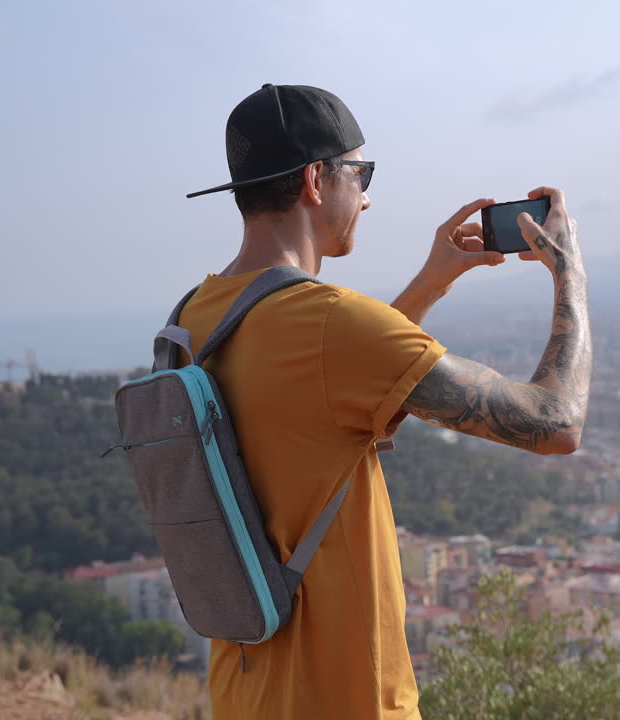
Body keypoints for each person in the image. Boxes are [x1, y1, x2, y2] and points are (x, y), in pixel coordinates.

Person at [176, 83, 592, 720]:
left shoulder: (192, 319)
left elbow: (325, 398)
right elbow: (556, 423)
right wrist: (572, 277)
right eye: (360, 172)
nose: (366, 197)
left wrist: (431, 281)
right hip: (347, 696)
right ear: (317, 180)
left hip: (246, 693)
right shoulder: (330, 322)